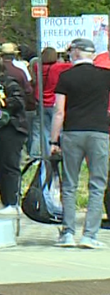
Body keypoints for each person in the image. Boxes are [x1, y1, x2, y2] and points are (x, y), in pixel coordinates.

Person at [50, 38, 110, 249]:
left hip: (72, 132)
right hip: (99, 132)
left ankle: (68, 233)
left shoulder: (65, 77)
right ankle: (90, 235)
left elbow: (59, 112)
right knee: (97, 184)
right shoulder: (105, 77)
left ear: (75, 53)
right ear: (92, 54)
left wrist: (53, 139)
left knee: (70, 184)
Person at [0, 59, 29, 216]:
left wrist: (0, 102)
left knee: (9, 165)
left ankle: (13, 201)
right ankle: (6, 200)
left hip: (11, 128)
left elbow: (18, 101)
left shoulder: (6, 83)